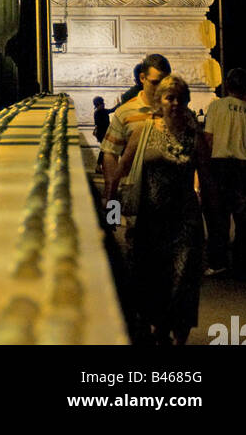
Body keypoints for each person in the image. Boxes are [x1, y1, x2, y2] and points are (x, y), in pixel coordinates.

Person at [108, 74, 207, 346]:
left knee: (183, 280)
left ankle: (180, 335)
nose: (174, 103)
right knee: (155, 280)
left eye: (179, 98)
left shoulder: (195, 137)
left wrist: (215, 224)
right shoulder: (144, 131)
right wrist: (111, 214)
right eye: (168, 97)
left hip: (185, 223)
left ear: (186, 101)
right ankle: (160, 330)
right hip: (151, 222)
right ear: (159, 101)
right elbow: (119, 173)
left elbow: (208, 179)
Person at [101, 54, 195, 195]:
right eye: (155, 82)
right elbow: (110, 153)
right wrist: (112, 193)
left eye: (165, 82)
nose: (161, 88)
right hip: (139, 200)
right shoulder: (125, 112)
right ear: (142, 78)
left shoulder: (181, 113)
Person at [202, 67, 246, 280]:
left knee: (217, 216)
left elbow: (208, 138)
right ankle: (241, 262)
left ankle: (218, 261)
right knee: (243, 218)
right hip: (243, 167)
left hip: (219, 165)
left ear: (228, 85)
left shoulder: (216, 106)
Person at [93, 96, 110, 173]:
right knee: (103, 150)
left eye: (103, 103)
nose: (104, 104)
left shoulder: (103, 111)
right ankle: (98, 166)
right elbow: (99, 124)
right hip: (101, 134)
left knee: (104, 150)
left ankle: (101, 167)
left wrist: (119, 104)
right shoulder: (97, 113)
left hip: (104, 133)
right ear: (98, 105)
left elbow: (112, 109)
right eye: (102, 103)